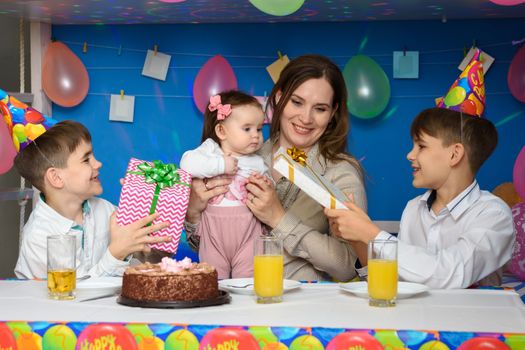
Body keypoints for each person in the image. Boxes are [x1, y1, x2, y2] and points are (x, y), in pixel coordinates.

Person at [185, 55, 367, 282]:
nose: (306, 118)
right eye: (297, 102)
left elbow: (349, 265)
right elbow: (207, 248)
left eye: (320, 109)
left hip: (296, 306)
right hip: (233, 301)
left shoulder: (340, 172)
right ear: (280, 98)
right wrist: (194, 213)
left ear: (332, 113)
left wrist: (279, 219)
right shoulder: (239, 154)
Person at [325, 107, 515, 288]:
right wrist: (358, 238)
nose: (410, 155)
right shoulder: (414, 208)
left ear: (454, 154)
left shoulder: (494, 215)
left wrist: (371, 234)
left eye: (421, 146)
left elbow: (449, 274)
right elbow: (394, 282)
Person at [14, 120, 171, 279]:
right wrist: (116, 253)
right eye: (86, 159)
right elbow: (74, 296)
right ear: (56, 177)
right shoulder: (39, 237)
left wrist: (150, 209)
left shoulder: (106, 211)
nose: (98, 164)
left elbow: (149, 263)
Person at [180, 91, 270, 279]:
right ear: (222, 131)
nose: (256, 136)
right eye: (247, 129)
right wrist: (221, 165)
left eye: (259, 129)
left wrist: (267, 185)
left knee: (248, 283)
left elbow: (269, 193)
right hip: (213, 233)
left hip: (248, 232)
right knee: (213, 282)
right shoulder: (211, 150)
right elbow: (187, 163)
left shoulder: (257, 161)